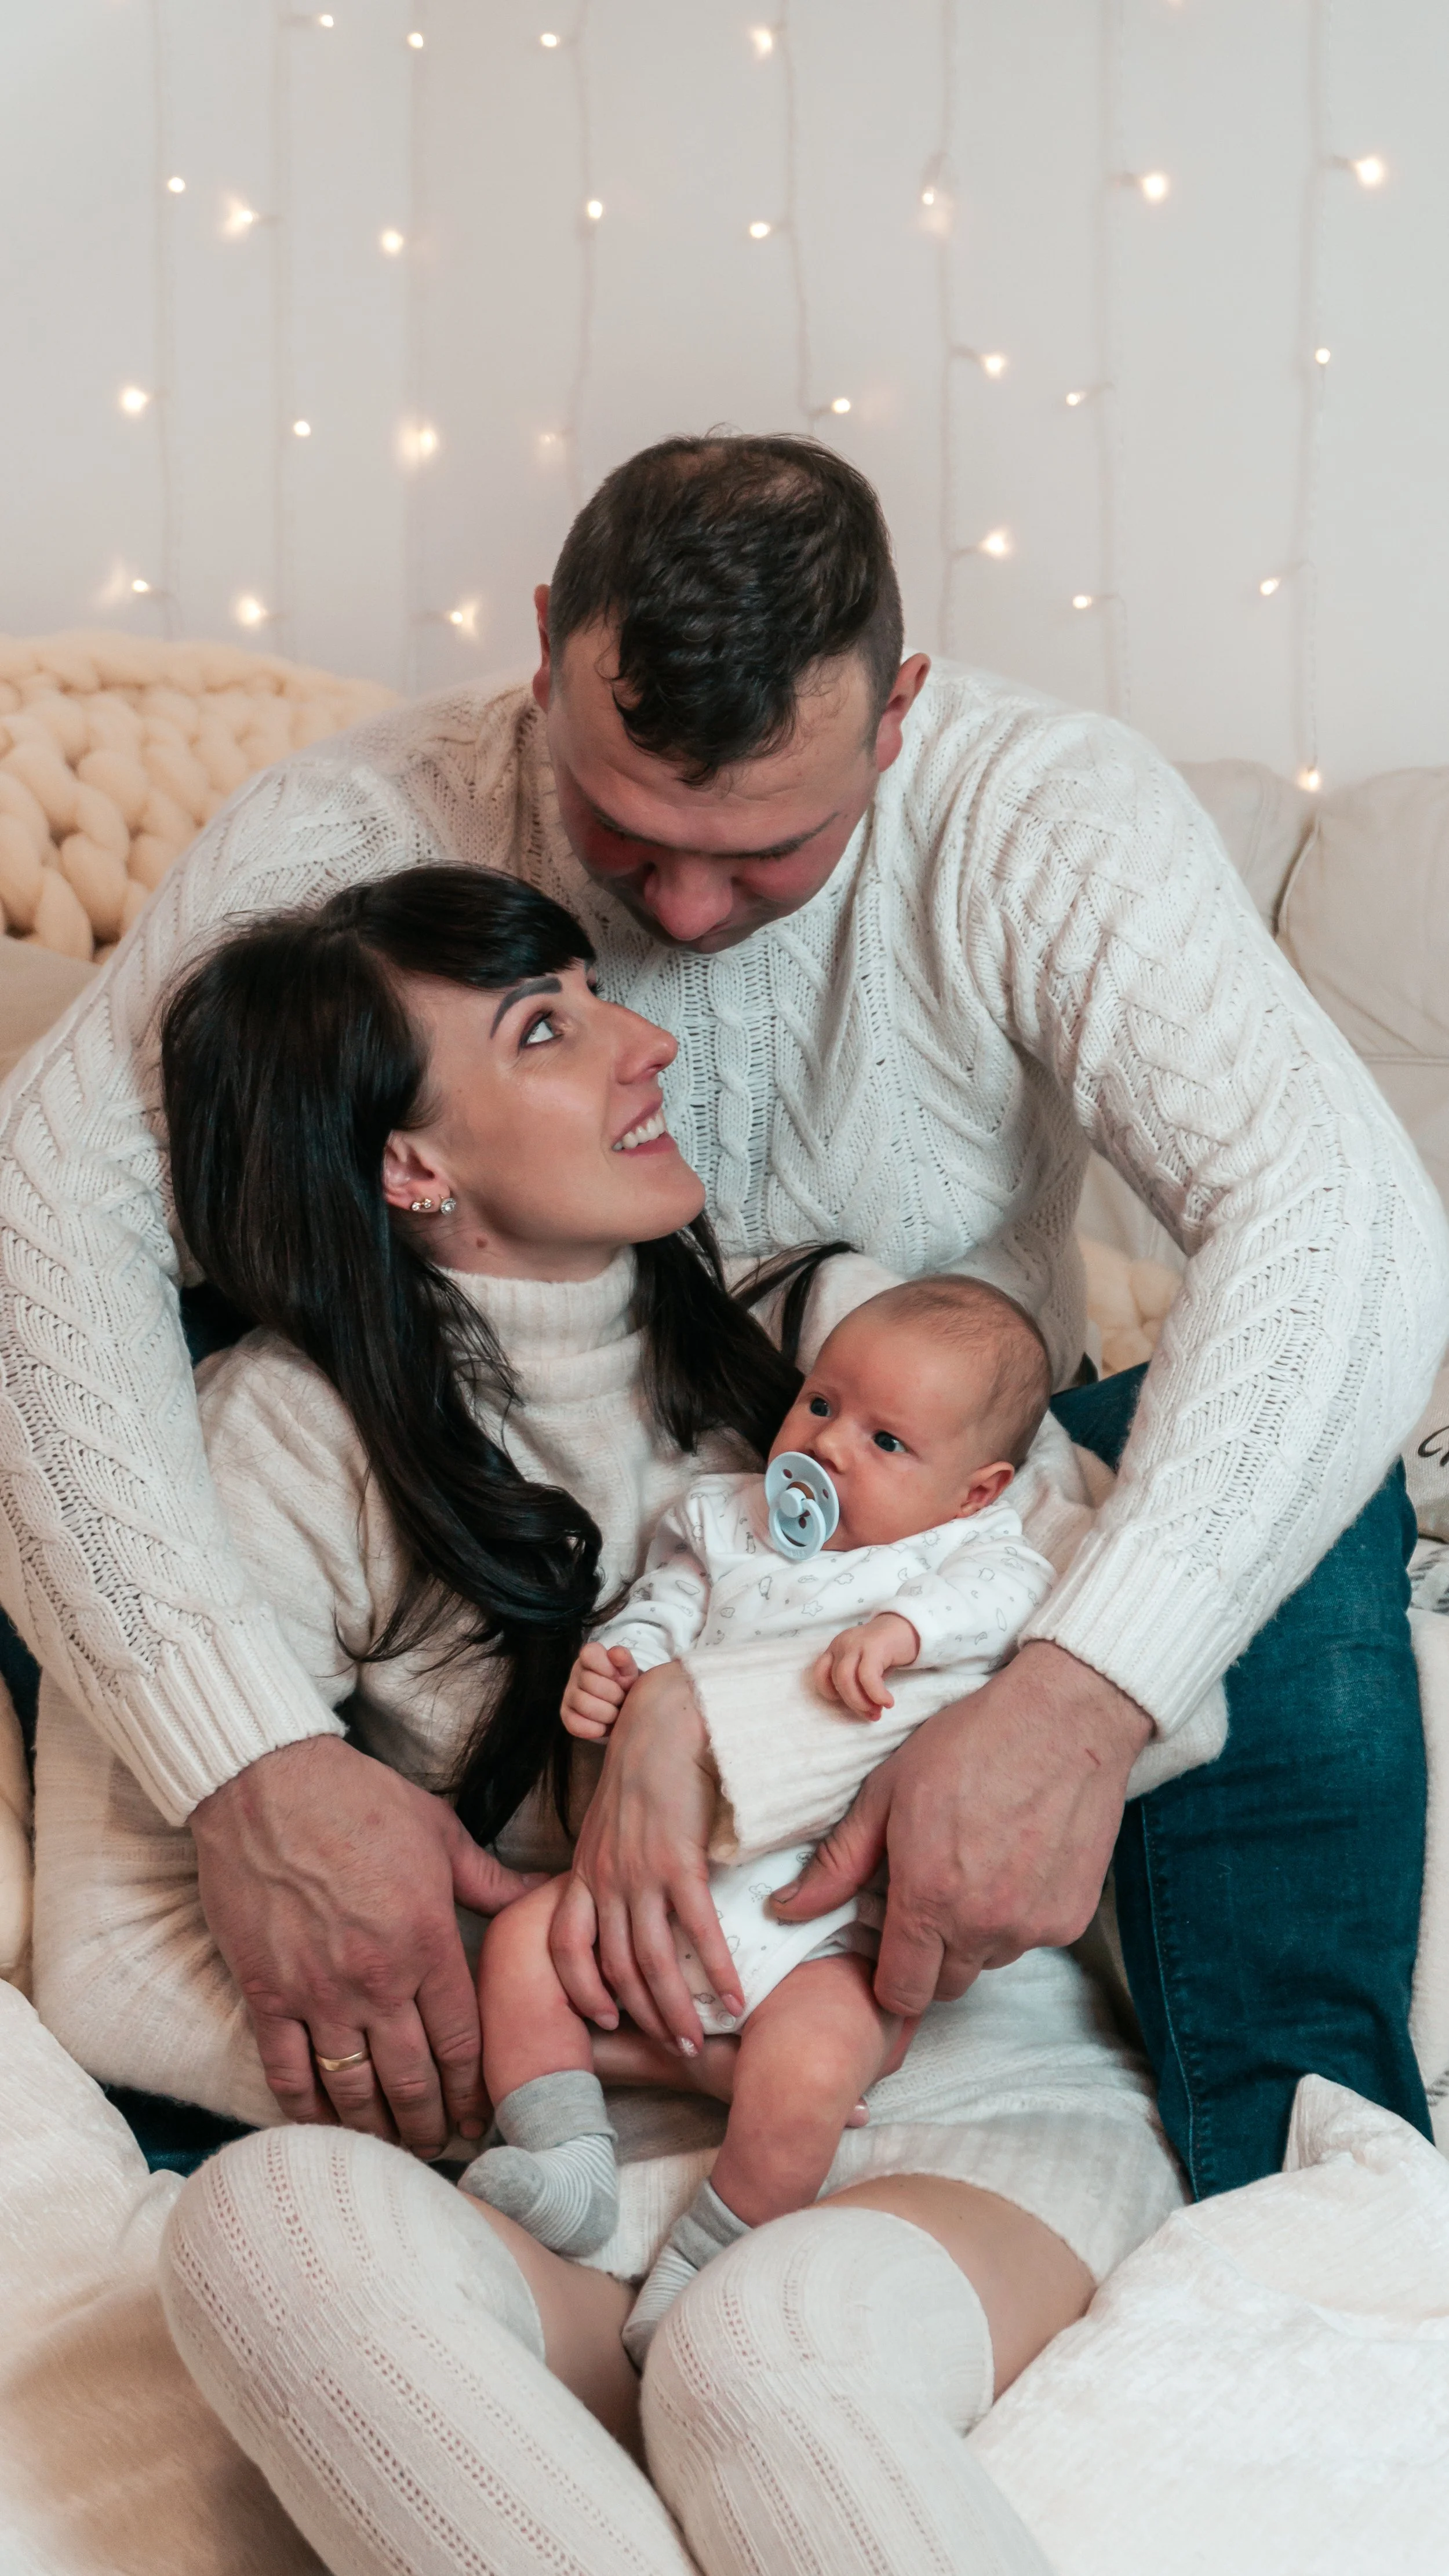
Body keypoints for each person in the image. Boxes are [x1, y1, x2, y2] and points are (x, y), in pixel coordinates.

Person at [3, 432, 1446, 2192]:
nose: (677, 930)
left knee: (1305, 1471)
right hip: (518, 1533)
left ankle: (1304, 2180)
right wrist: (249, 1759)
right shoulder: (361, 830)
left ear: (894, 712)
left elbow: (1340, 1219)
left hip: (909, 1512)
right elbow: (42, 1217)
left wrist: (1084, 1691)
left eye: (765, 851)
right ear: (543, 649)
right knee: (130, 1453)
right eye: (624, 833)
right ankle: (368, 2137)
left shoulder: (1043, 810)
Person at [61, 858, 1173, 2576]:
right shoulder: (280, 1440)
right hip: (564, 2147)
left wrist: (693, 1730)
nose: (643, 1040)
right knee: (261, 2229)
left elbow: (1166, 1700)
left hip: (923, 2098)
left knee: (765, 2359)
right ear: (411, 1168)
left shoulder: (836, 1330)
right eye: (548, 1024)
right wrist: (541, 2020)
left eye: (597, 990)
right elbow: (115, 1943)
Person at [465, 1276, 1057, 2368]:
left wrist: (907, 1629)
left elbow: (1015, 1599)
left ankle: (707, 2254)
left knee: (813, 2069)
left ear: (976, 1492)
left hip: (817, 1923)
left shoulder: (960, 1558)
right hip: (667, 1880)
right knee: (517, 1947)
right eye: (822, 1405)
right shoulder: (728, 1519)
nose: (831, 1449)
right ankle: (566, 2159)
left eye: (888, 1441)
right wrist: (627, 1661)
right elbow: (669, 1601)